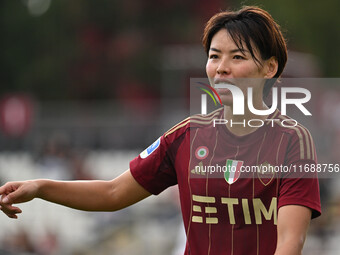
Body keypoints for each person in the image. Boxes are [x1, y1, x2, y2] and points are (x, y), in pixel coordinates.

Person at [0, 6, 321, 255]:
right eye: (214, 56)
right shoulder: (185, 137)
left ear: (270, 67)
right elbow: (113, 193)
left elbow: (290, 241)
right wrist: (41, 187)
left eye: (237, 57)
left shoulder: (292, 141)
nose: (222, 67)